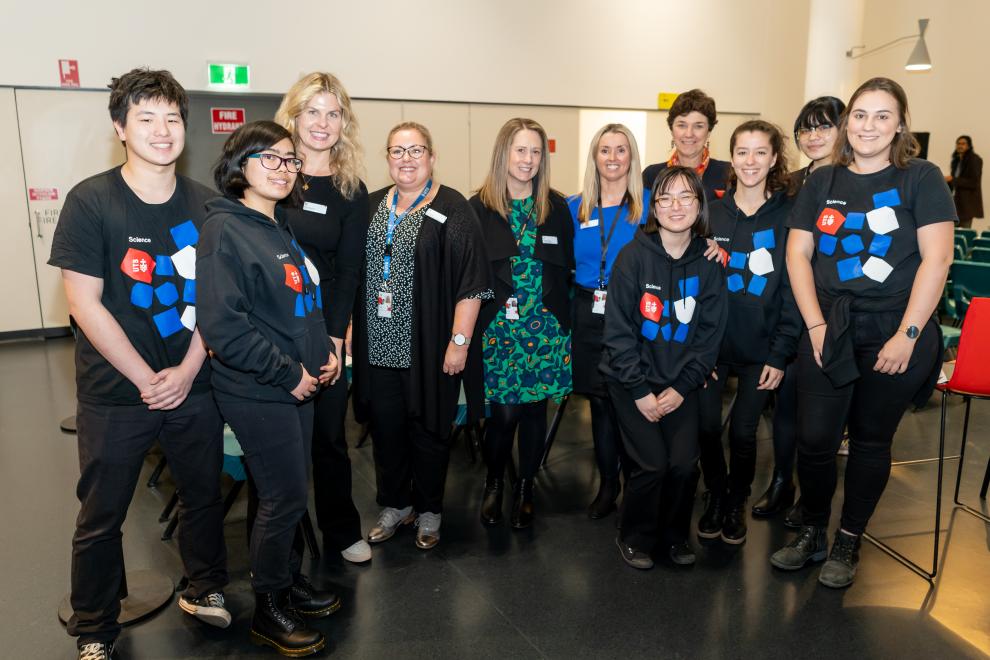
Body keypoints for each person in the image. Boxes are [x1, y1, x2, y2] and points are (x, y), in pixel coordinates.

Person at [48, 68, 230, 660]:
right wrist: (147, 379)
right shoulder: (91, 201)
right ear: (120, 127)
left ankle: (205, 590)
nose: (162, 130)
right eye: (146, 118)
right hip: (115, 393)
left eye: (172, 118)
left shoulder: (207, 206)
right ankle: (95, 626)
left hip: (193, 386)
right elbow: (84, 302)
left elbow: (217, 302)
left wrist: (184, 371)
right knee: (101, 515)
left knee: (203, 496)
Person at [772, 78, 954, 588]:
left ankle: (849, 538)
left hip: (894, 328)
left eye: (881, 116)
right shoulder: (822, 181)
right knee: (814, 440)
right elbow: (797, 254)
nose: (868, 125)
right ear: (847, 122)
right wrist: (814, 324)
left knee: (872, 442)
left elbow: (937, 260)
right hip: (829, 326)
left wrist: (909, 334)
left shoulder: (921, 177)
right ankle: (812, 530)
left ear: (900, 124)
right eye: (860, 115)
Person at [198, 120, 339, 656]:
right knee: (282, 498)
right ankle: (269, 608)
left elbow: (300, 305)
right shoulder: (224, 231)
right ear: (240, 165)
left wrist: (324, 354)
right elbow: (225, 327)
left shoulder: (276, 225)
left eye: (290, 160)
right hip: (261, 390)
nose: (284, 169)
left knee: (286, 493)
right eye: (270, 158)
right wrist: (288, 373)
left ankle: (288, 580)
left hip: (298, 385)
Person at [354, 121, 492, 550]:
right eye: (397, 151)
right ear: (387, 158)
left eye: (416, 151)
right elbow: (354, 274)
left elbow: (472, 280)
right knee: (387, 428)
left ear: (431, 157)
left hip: (430, 344)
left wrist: (459, 341)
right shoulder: (373, 204)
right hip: (378, 343)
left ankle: (430, 510)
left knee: (430, 429)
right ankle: (395, 506)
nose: (406, 159)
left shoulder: (452, 207)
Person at [603, 166, 728, 569]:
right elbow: (618, 333)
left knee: (682, 464)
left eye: (686, 197)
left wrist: (681, 388)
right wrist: (640, 391)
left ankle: (674, 534)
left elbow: (710, 337)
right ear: (654, 207)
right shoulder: (632, 258)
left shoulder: (709, 264)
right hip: (632, 382)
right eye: (666, 198)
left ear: (699, 205)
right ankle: (634, 534)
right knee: (652, 465)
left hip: (683, 384)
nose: (676, 206)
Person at [275, 72, 371, 564]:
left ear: (343, 124)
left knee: (329, 438)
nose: (322, 123)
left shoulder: (352, 189)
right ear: (293, 116)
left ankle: (340, 530)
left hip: (321, 327)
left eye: (333, 114)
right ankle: (280, 543)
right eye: (312, 111)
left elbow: (350, 271)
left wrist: (335, 339)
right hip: (270, 329)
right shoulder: (274, 174)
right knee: (277, 445)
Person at [696, 120, 800, 545]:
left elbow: (796, 287)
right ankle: (716, 495)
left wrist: (781, 353)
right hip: (712, 348)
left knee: (743, 430)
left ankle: (737, 498)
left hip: (762, 347)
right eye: (742, 151)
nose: (751, 161)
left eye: (761, 152)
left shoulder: (790, 215)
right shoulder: (711, 213)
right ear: (731, 157)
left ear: (774, 158)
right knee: (705, 428)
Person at [469, 118, 574, 529]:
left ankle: (526, 486)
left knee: (533, 413)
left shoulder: (557, 206)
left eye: (535, 152)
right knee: (504, 416)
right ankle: (495, 481)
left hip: (546, 329)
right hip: (498, 331)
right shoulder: (478, 207)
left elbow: (569, 270)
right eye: (520, 150)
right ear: (503, 154)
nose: (528, 160)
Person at [754, 96, 846, 524]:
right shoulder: (788, 184)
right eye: (806, 129)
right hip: (785, 305)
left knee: (818, 419)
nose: (813, 136)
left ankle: (812, 501)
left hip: (831, 307)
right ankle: (780, 482)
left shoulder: (852, 180)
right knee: (785, 405)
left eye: (823, 127)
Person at [567, 123, 649, 519]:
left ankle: (638, 481)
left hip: (633, 314)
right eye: (605, 150)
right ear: (594, 157)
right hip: (586, 312)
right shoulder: (574, 207)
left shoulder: (649, 205)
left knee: (631, 402)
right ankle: (607, 485)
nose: (613, 158)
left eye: (621, 150)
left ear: (631, 157)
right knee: (600, 404)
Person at [642, 89, 730, 200]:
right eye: (682, 125)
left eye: (698, 126)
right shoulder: (651, 176)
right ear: (672, 130)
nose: (689, 134)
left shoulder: (727, 173)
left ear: (708, 132)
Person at [946, 135, 984, 228]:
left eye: (963, 143)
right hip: (956, 204)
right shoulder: (956, 160)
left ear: (969, 146)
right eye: (958, 143)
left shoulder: (974, 159)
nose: (960, 146)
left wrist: (952, 179)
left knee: (964, 231)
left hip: (967, 205)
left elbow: (974, 182)